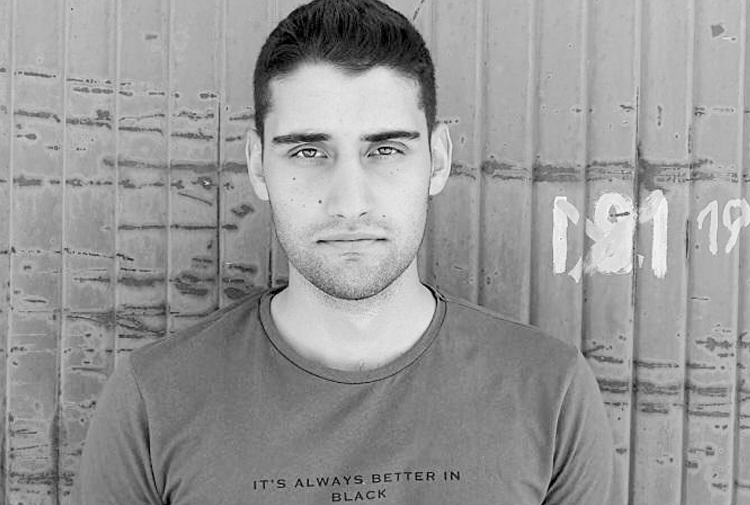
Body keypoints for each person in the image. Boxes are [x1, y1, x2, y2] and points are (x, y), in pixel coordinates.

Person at [75, 0, 618, 503]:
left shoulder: (552, 393)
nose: (350, 203)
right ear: (259, 165)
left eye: (386, 149)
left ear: (437, 160)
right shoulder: (152, 402)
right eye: (308, 151)